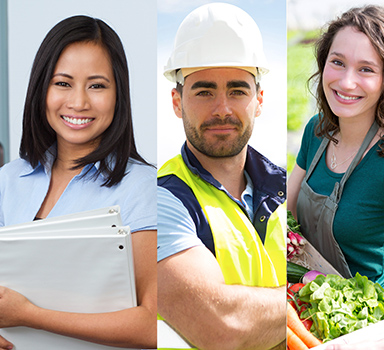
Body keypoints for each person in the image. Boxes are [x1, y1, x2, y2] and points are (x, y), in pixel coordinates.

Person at [0, 15, 156, 349]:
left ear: (118, 94)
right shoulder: (7, 180)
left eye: (97, 85)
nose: (79, 102)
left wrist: (29, 314)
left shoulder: (145, 189)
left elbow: (154, 325)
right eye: (63, 83)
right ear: (42, 88)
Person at [285, 5, 384, 349]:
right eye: (337, 62)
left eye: (366, 69)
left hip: (374, 332)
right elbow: (282, 217)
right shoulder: (316, 132)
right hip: (312, 323)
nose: (346, 81)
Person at [156, 3, 286, 349]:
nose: (222, 109)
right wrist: (305, 298)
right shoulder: (160, 200)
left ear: (258, 100)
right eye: (204, 91)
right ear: (177, 101)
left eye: (237, 90)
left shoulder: (288, 188)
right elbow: (221, 326)